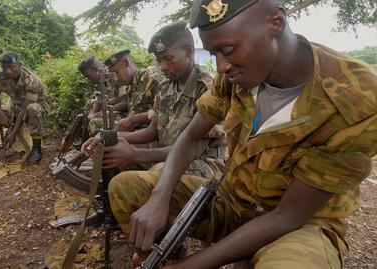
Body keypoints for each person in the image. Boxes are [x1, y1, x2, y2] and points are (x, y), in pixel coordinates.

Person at [108, 0, 377, 268]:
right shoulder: (237, 70)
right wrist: (159, 200)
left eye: (227, 50)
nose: (221, 66)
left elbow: (288, 217)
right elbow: (191, 136)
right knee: (127, 189)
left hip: (298, 227)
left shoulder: (357, 101)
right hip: (232, 199)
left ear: (276, 22)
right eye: (214, 54)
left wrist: (192, 265)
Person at [82, 21, 225, 177]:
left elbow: (193, 150)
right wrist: (110, 138)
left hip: (202, 164)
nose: (163, 67)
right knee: (114, 155)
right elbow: (152, 131)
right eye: (159, 61)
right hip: (168, 153)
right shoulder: (166, 87)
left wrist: (134, 155)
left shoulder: (207, 89)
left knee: (151, 173)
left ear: (188, 50)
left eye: (168, 58)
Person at [101, 49, 163, 133]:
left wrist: (133, 119)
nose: (116, 79)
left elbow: (165, 112)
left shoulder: (151, 78)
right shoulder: (132, 84)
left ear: (127, 63)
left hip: (151, 132)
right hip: (137, 129)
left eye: (117, 73)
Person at [78, 56, 129, 135]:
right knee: (88, 107)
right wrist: (90, 116)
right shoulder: (102, 81)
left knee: (93, 122)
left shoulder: (116, 77)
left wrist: (98, 115)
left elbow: (126, 103)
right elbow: (98, 103)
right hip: (110, 112)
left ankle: (102, 144)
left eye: (88, 76)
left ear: (95, 70)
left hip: (124, 114)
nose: (89, 80)